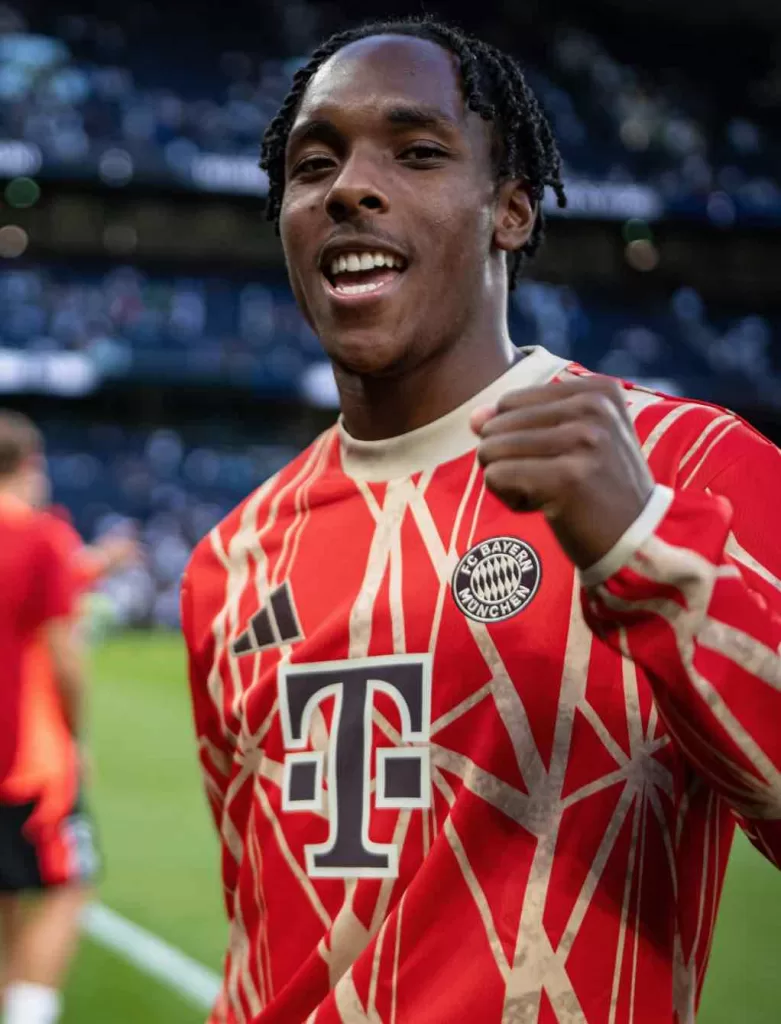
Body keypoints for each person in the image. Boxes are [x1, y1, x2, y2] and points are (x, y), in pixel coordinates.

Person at [180, 17, 781, 1023]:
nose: (349, 188)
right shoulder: (230, 560)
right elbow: (261, 938)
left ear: (509, 209)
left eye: (416, 152)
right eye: (312, 165)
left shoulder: (687, 464)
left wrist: (642, 547)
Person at [0, 413, 98, 1024]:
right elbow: (64, 653)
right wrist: (75, 733)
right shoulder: (40, 536)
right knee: (68, 887)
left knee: (6, 899)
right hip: (24, 759)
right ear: (30, 465)